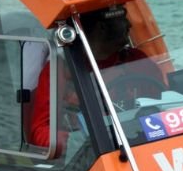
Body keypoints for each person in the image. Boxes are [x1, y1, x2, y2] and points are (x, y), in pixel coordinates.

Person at [29, 8, 164, 150]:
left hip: (143, 142)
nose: (129, 24)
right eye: (122, 19)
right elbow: (40, 129)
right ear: (102, 27)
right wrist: (67, 143)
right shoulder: (62, 70)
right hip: (93, 150)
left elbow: (162, 106)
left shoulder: (137, 60)